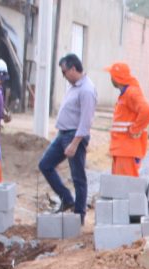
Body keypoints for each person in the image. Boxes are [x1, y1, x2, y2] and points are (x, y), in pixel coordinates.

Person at [39, 54, 96, 220]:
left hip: (74, 136)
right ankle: (67, 199)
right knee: (45, 165)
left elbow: (86, 121)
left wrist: (75, 143)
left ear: (73, 69)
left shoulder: (86, 90)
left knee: (78, 177)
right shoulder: (74, 86)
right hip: (63, 134)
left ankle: (79, 216)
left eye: (64, 72)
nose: (63, 76)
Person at [106, 62, 149, 176]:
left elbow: (147, 111)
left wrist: (134, 129)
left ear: (116, 77)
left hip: (127, 150)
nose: (110, 78)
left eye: (111, 75)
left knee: (125, 185)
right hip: (122, 150)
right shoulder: (125, 94)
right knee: (119, 184)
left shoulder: (131, 92)